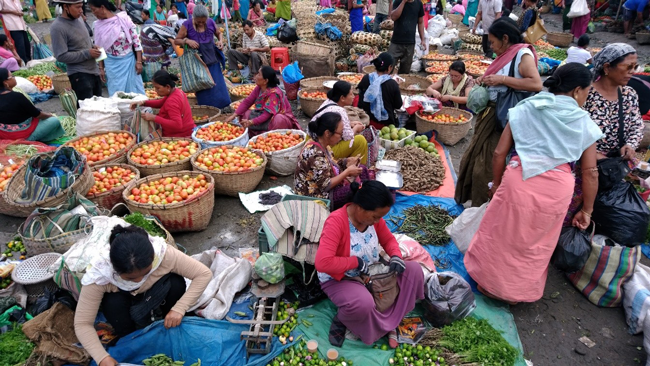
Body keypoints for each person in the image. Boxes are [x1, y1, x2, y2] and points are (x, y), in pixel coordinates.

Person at [465, 63, 602, 305]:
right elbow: (590, 172)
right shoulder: (584, 122)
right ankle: (517, 293)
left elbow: (499, 153)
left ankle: (488, 283)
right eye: (588, 92)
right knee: (536, 244)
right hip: (557, 190)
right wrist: (587, 210)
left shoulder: (526, 107)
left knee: (502, 234)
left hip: (519, 181)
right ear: (578, 90)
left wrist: (496, 183)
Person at [74, 225, 212, 366]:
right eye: (130, 278)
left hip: (157, 295)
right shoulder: (101, 273)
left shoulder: (164, 254)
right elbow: (82, 323)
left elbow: (203, 274)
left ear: (152, 257)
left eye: (146, 272)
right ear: (115, 269)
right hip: (126, 303)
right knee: (112, 302)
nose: (139, 280)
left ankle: (168, 324)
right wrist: (102, 358)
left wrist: (180, 308)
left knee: (176, 282)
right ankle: (132, 337)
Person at [315, 180, 424, 347]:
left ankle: (391, 321)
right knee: (363, 303)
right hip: (342, 278)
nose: (377, 221)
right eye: (375, 216)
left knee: (414, 271)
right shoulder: (336, 222)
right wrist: (354, 262)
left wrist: (396, 256)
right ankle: (344, 319)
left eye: (380, 217)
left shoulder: (373, 220)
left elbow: (388, 240)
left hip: (371, 270)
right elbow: (323, 263)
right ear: (360, 207)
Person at [455, 17, 542, 207]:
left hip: (504, 117)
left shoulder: (522, 54)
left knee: (488, 163)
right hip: (492, 115)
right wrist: (484, 81)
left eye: (493, 42)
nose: (491, 47)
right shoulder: (507, 54)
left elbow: (536, 84)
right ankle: (476, 202)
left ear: (505, 38)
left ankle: (487, 205)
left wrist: (502, 79)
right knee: (476, 157)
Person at [564, 44, 644, 225]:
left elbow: (637, 126)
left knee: (607, 216)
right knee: (571, 214)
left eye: (635, 67)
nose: (632, 72)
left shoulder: (629, 94)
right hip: (583, 167)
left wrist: (630, 145)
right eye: (628, 67)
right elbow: (571, 130)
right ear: (607, 68)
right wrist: (593, 156)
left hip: (614, 167)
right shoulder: (586, 93)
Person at [294, 112, 369, 210]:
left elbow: (332, 164)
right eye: (340, 133)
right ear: (327, 133)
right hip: (314, 197)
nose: (341, 137)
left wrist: (346, 161)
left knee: (362, 169)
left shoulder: (324, 145)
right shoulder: (315, 154)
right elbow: (326, 185)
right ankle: (364, 207)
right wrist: (347, 172)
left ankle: (368, 198)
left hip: (324, 187)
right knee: (354, 189)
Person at [175, 4, 231, 108]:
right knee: (203, 86)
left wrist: (220, 41)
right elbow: (177, 40)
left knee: (218, 84)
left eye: (203, 21)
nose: (201, 23)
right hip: (197, 62)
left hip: (212, 57)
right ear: (194, 17)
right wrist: (187, 41)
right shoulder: (187, 25)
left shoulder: (210, 22)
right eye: (198, 21)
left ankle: (224, 106)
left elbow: (218, 33)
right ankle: (207, 109)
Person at [224, 66, 300, 136]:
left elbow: (267, 115)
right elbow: (248, 101)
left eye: (259, 75)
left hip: (274, 118)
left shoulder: (274, 94)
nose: (256, 76)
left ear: (265, 81)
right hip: (263, 114)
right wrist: (234, 115)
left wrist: (251, 122)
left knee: (278, 119)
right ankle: (258, 135)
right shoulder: (259, 88)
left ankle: (270, 135)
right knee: (245, 114)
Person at [51, 0, 102, 103]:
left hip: (93, 71)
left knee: (99, 107)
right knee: (87, 111)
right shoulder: (57, 27)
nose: (81, 11)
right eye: (78, 7)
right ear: (66, 7)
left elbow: (83, 41)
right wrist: (87, 53)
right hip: (79, 75)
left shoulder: (79, 19)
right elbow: (61, 56)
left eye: (81, 7)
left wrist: (92, 46)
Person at [90, 0, 145, 97]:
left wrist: (139, 62)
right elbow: (99, 48)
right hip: (112, 65)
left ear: (102, 7)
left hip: (129, 62)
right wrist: (101, 68)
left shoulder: (124, 19)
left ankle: (137, 111)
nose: (93, 13)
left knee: (134, 91)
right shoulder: (97, 25)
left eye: (94, 10)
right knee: (116, 93)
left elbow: (136, 42)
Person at [0, 68, 65, 141]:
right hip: (21, 134)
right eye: (12, 76)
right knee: (54, 121)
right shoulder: (17, 96)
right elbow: (38, 115)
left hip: (3, 133)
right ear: (6, 82)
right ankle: (29, 140)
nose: (14, 78)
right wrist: (49, 115)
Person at [312, 81, 368, 164]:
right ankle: (358, 169)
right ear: (342, 98)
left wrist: (349, 124)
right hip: (323, 148)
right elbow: (348, 136)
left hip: (312, 142)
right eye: (351, 94)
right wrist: (356, 128)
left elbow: (329, 123)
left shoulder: (328, 102)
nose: (353, 97)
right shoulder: (340, 111)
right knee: (360, 140)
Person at [130, 70, 194, 137]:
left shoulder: (171, 101)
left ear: (167, 87)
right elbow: (160, 103)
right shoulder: (176, 92)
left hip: (178, 135)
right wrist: (143, 103)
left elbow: (177, 125)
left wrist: (154, 118)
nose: (156, 91)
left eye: (158, 88)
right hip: (188, 129)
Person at [358, 52, 403, 128]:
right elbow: (398, 105)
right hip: (387, 124)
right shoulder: (392, 84)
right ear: (389, 68)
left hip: (367, 121)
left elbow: (361, 102)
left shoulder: (366, 78)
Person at [388, 0, 425, 74]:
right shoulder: (398, 2)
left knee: (405, 70)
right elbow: (393, 17)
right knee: (389, 66)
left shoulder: (418, 4)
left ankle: (401, 84)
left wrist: (422, 40)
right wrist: (403, 2)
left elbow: (420, 22)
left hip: (410, 43)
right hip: (396, 42)